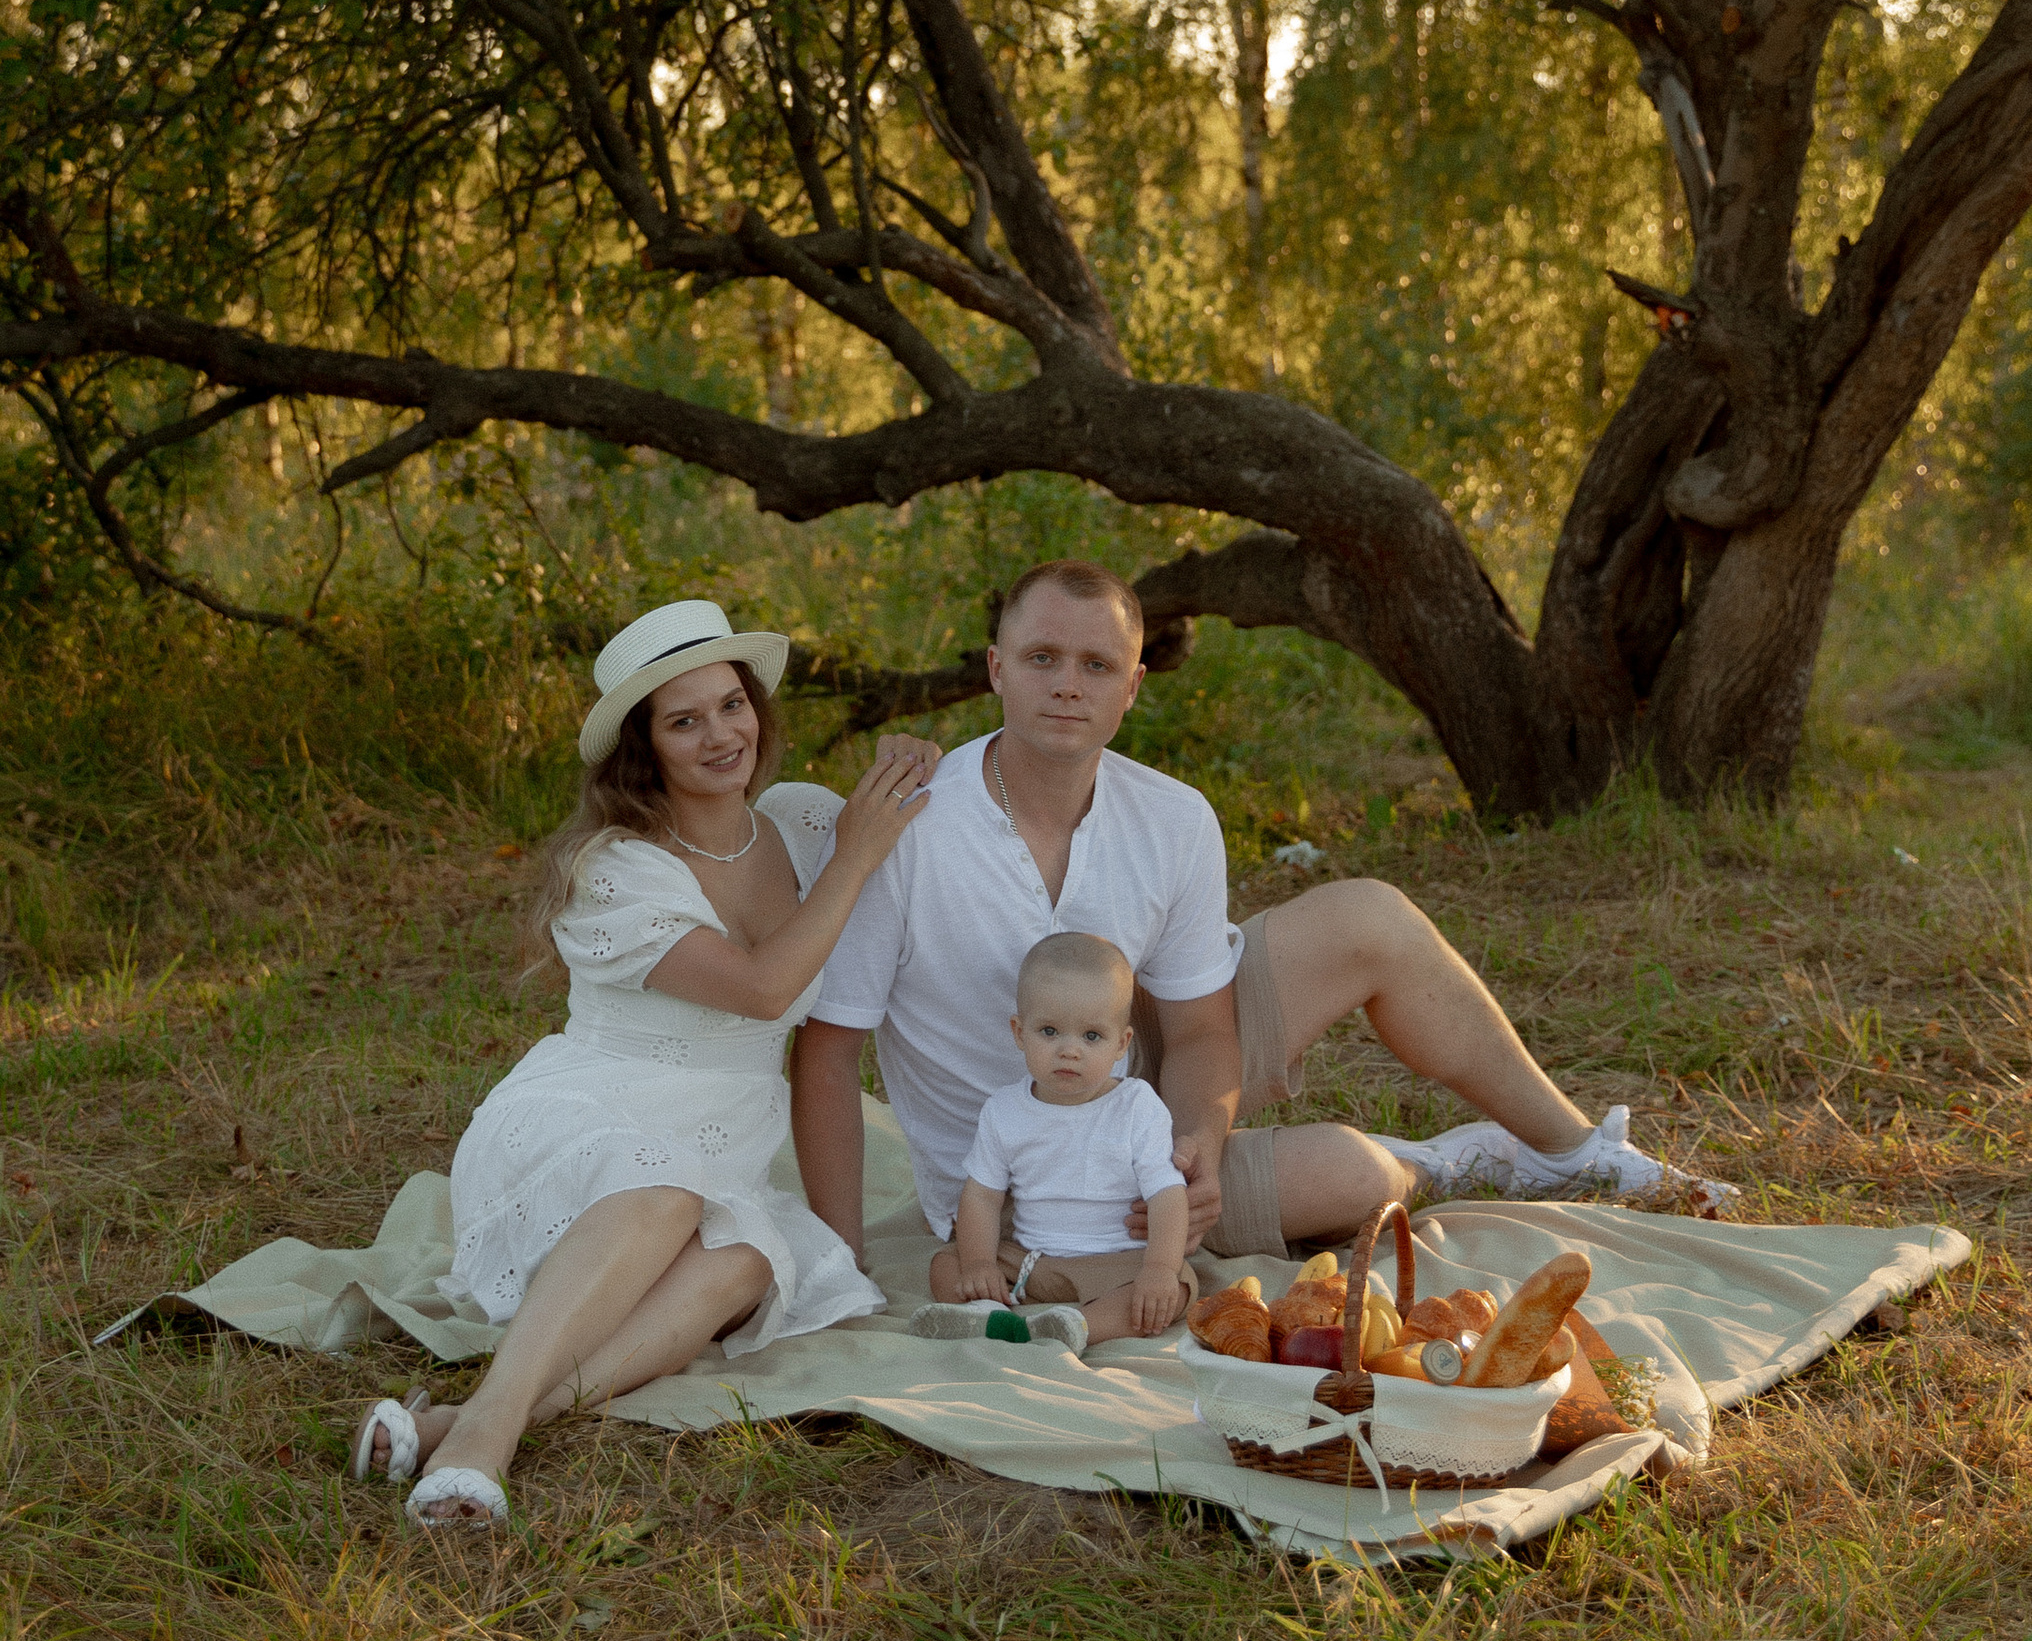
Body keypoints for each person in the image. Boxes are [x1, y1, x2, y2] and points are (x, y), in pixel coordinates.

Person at [794, 559, 1730, 1289]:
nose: (1067, 685)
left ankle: (1579, 1155)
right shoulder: (909, 822)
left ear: (1133, 687)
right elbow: (830, 1053)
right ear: (997, 669)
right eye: (1041, 658)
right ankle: (1443, 1162)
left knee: (1372, 915)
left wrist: (1196, 1137)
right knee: (1358, 1182)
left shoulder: (1172, 816)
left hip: (1139, 1101)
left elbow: (1201, 1032)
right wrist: (840, 1267)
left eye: (1097, 664)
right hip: (1032, 1191)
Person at [351, 599, 939, 1529]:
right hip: (583, 1121)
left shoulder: (801, 824)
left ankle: (471, 1417)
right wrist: (857, 859)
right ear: (644, 748)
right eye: (684, 720)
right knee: (665, 1189)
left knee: (753, 1257)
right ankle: (483, 1448)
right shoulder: (616, 868)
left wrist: (908, 760)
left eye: (732, 705)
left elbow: (925, 822)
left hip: (718, 1144)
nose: (721, 736)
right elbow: (759, 987)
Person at [907, 932, 1194, 1353]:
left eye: (1091, 1036)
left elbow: (1168, 1196)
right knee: (947, 1264)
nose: (1069, 1051)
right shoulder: (1005, 1111)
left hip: (1115, 1262)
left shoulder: (1136, 1106)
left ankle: (1075, 1327)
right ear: (1019, 1033)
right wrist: (980, 1262)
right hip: (1029, 1262)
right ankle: (986, 1317)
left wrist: (1159, 1267)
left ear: (1122, 1043)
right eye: (1049, 1031)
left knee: (1178, 1282)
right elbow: (982, 1198)